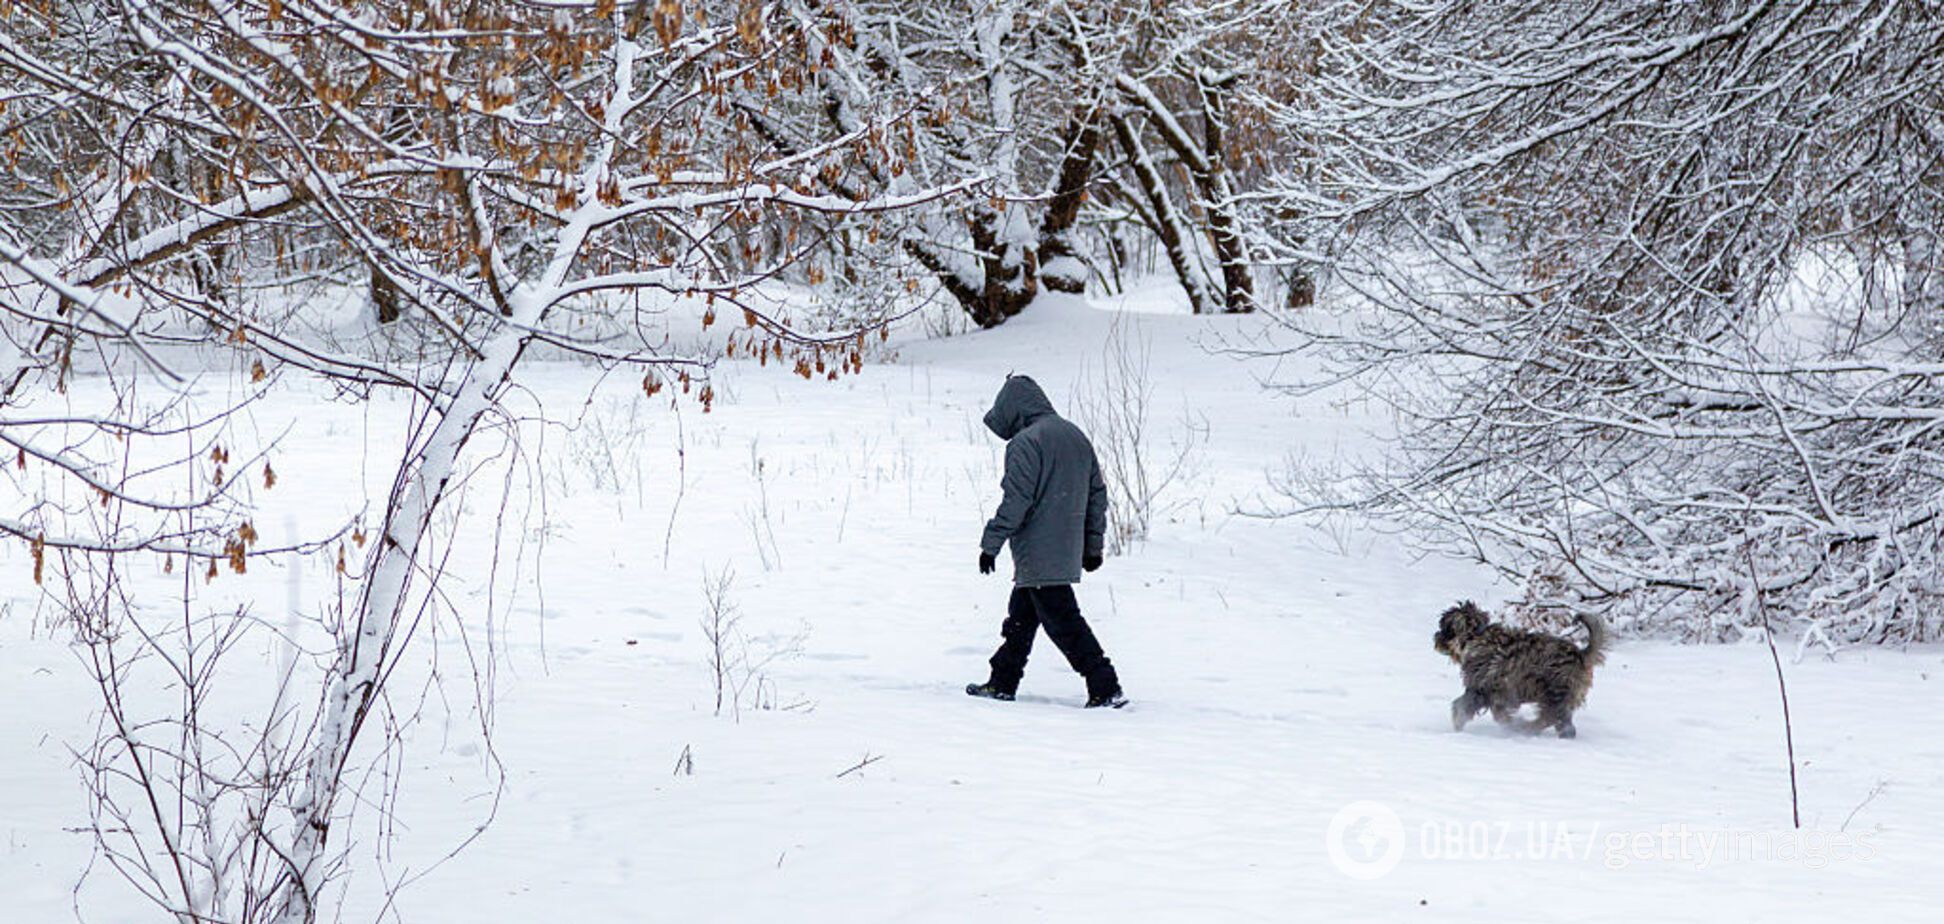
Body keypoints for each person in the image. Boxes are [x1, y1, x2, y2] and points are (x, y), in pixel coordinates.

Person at [965, 375, 1127, 709]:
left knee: (1064, 622)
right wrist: (1092, 545)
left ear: (1013, 410)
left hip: (1039, 551)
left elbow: (1016, 501)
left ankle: (1104, 684)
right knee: (1021, 619)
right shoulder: (1075, 436)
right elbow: (1097, 495)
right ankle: (1002, 681)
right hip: (1062, 549)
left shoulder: (1026, 443)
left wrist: (990, 543)